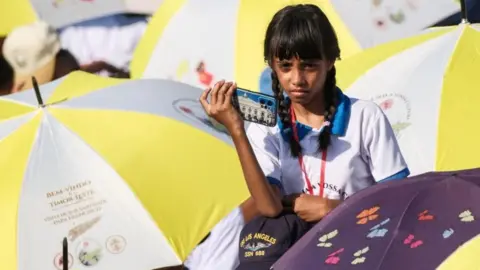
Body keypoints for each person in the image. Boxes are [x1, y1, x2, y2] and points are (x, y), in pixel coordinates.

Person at [200, 4, 409, 267]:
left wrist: (331, 209)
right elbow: (269, 207)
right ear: (272, 66)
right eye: (285, 66)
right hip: (297, 258)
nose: (297, 79)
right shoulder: (268, 127)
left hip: (360, 254)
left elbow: (399, 200)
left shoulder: (365, 117)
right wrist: (236, 130)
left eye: (309, 66)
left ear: (331, 61)